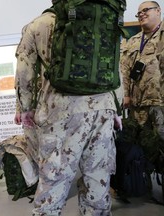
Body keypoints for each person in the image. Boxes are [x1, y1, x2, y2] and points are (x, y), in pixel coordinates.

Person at [15, 4, 123, 216]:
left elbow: (24, 71)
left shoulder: (37, 25)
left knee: (54, 180)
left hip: (61, 110)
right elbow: (116, 68)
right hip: (103, 109)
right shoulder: (104, 18)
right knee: (98, 180)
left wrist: (24, 108)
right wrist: (117, 109)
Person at [120, 0, 163, 198]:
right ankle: (142, 185)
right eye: (139, 13)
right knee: (142, 146)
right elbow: (125, 71)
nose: (142, 14)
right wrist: (126, 95)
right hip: (138, 106)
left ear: (158, 11)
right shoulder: (134, 41)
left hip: (161, 104)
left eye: (146, 10)